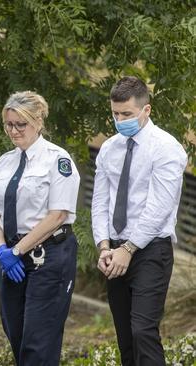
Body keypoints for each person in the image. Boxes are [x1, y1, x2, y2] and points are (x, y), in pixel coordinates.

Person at [91, 76, 186, 365]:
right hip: (114, 250)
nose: (120, 120)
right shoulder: (109, 148)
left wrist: (129, 249)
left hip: (150, 251)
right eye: (115, 114)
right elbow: (100, 201)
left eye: (127, 114)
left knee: (143, 331)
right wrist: (104, 246)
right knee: (125, 338)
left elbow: (160, 206)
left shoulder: (166, 148)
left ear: (146, 110)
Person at [0, 91, 80, 365]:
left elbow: (57, 215)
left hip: (49, 256)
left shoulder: (57, 160)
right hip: (12, 258)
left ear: (38, 122)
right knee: (15, 333)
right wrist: (3, 250)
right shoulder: (5, 161)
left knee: (38, 342)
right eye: (9, 124)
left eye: (21, 125)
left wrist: (17, 250)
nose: (14, 131)